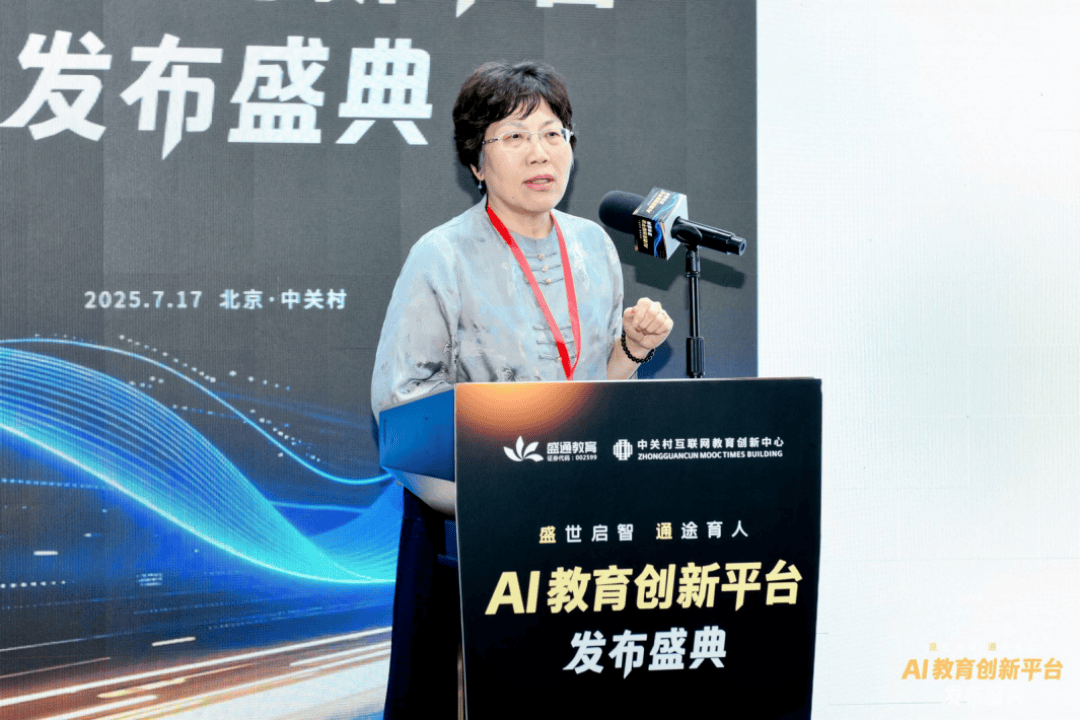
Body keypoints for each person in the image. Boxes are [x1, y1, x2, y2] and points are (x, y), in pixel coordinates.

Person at [371, 61, 673, 718]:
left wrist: (630, 349)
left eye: (553, 133)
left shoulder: (593, 247)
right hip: (471, 531)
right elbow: (401, 405)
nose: (540, 152)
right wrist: (492, 501)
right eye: (514, 136)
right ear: (475, 162)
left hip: (576, 526)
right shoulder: (442, 255)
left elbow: (588, 391)